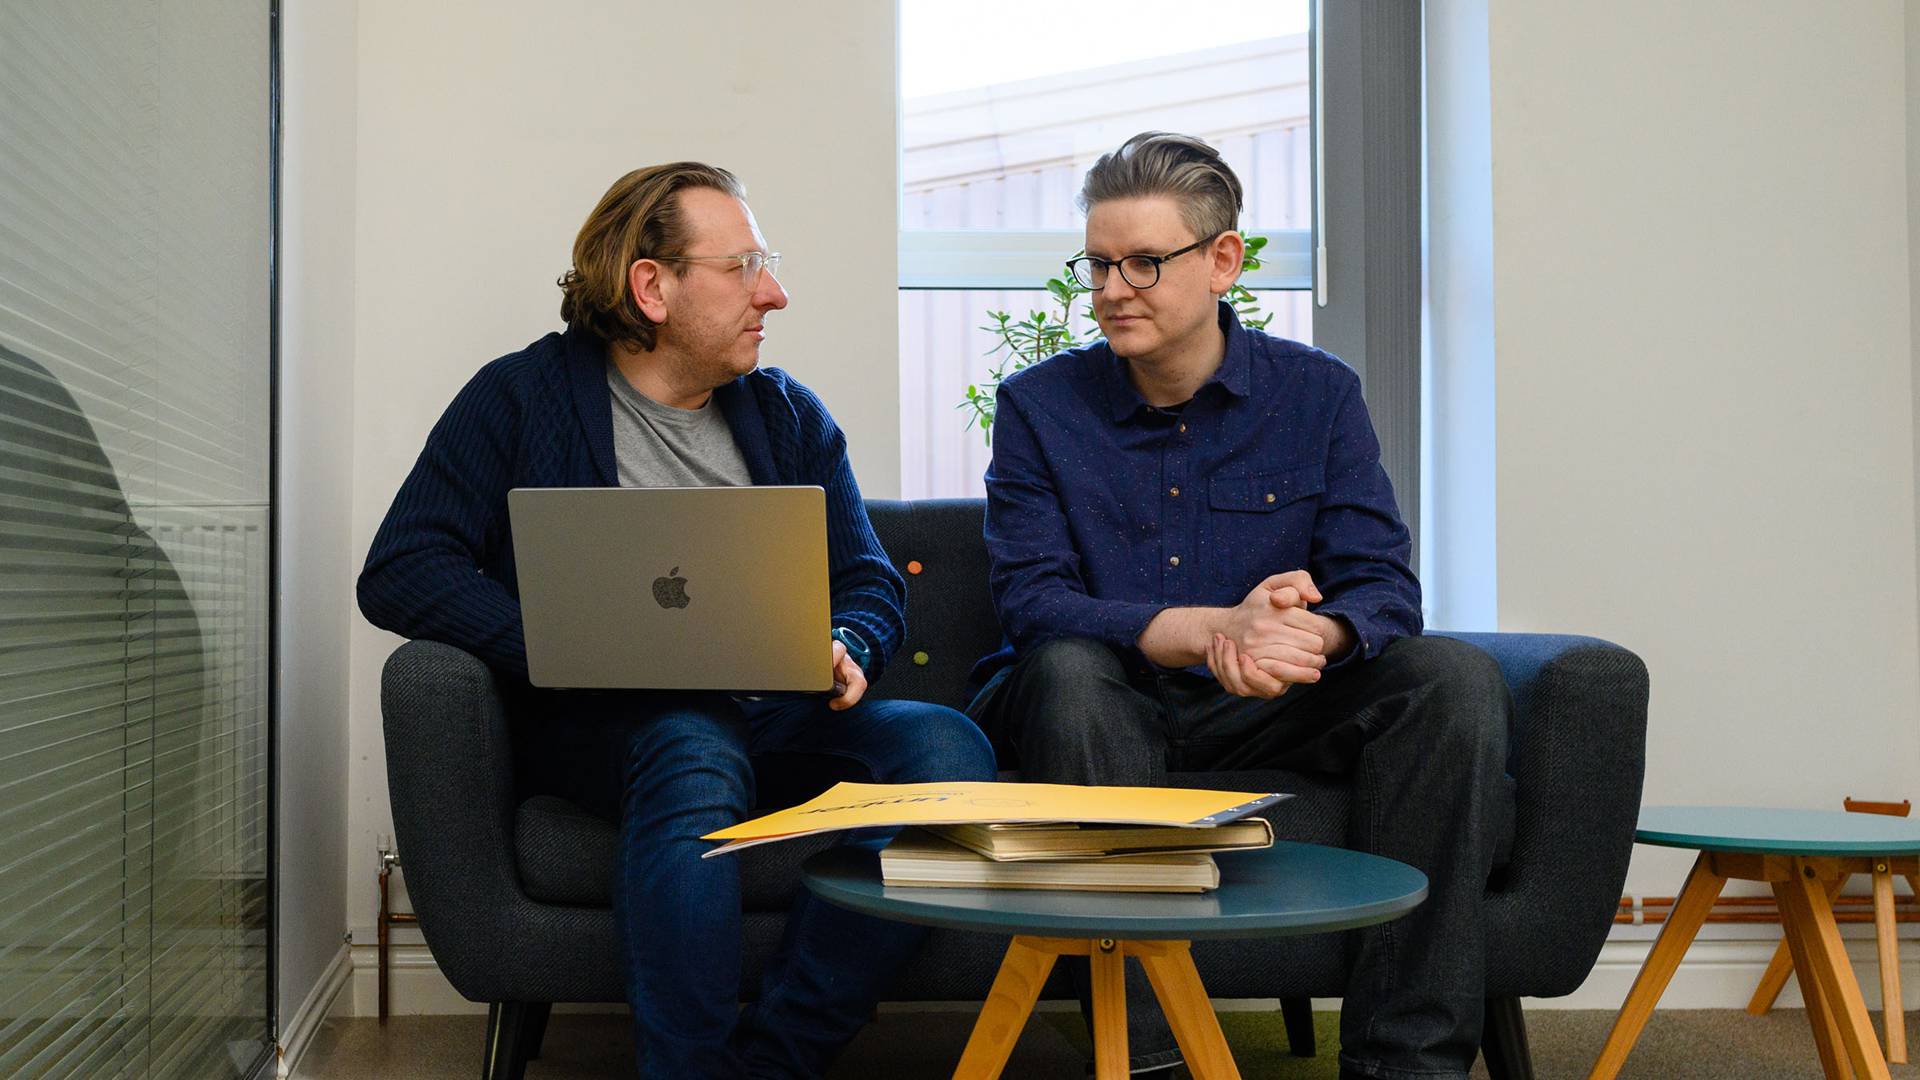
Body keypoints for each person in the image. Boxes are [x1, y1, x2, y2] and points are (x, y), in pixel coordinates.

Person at [358, 162, 998, 1079]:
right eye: (743, 269)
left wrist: (850, 645)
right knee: (691, 736)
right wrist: (560, 645)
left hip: (777, 712)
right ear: (652, 286)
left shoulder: (786, 415)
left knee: (946, 749)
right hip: (609, 728)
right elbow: (402, 569)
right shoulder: (517, 397)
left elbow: (867, 579)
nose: (773, 293)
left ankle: (774, 1061)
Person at [967, 131, 1512, 1080]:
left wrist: (1308, 635)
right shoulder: (1038, 406)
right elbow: (1033, 601)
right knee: (1063, 671)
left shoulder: (1318, 396)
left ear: (1223, 261)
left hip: (1268, 707)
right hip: (1101, 705)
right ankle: (1143, 1059)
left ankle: (1406, 1064)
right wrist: (1209, 630)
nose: (1110, 289)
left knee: (1449, 681)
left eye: (1143, 262)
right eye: (1098, 264)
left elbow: (1382, 584)